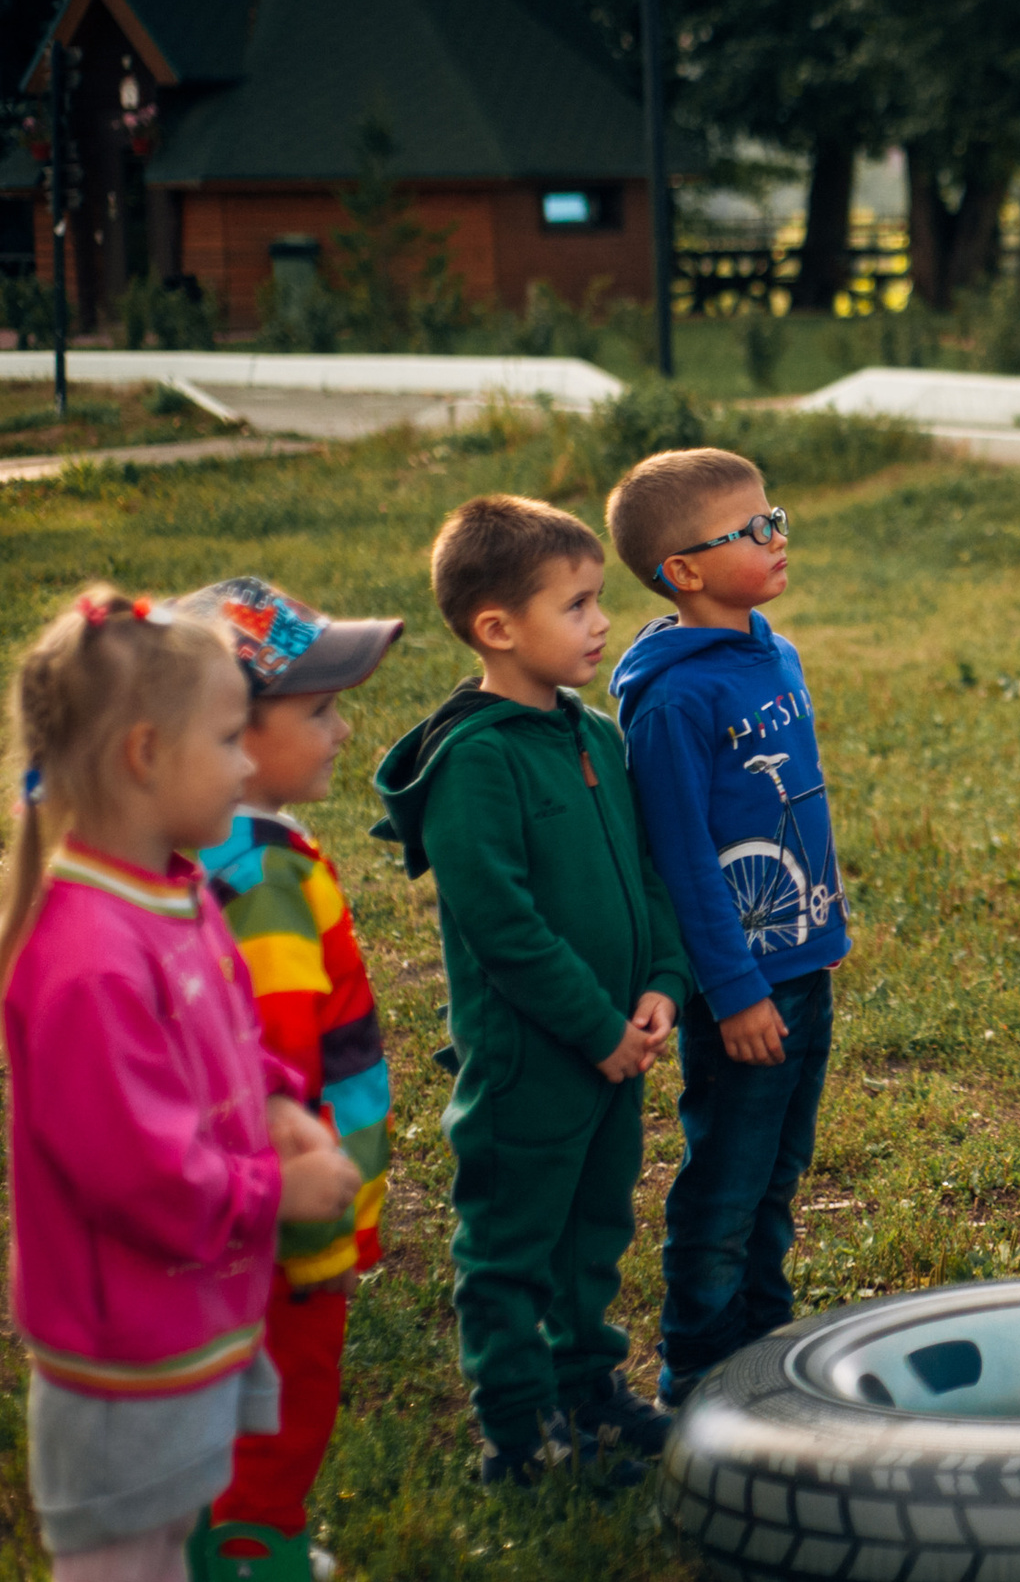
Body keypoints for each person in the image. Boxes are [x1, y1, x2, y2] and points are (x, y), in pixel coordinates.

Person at [4, 587, 361, 1582]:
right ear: (145, 754)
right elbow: (135, 1172)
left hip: (192, 1316)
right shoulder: (89, 957)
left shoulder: (176, 887)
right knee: (124, 1560)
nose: (250, 763)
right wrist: (274, 1193)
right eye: (228, 738)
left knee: (171, 1547)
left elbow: (233, 1037)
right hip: (123, 1355)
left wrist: (282, 1099)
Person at [372, 495, 692, 1485]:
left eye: (599, 600)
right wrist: (597, 1026)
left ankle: (585, 1383)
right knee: (513, 1240)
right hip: (533, 1061)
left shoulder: (593, 735)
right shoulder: (475, 760)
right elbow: (501, 925)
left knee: (595, 1226)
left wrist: (661, 984)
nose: (602, 623)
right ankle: (519, 1430)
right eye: (579, 604)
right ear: (497, 628)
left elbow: (648, 871)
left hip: (616, 1047)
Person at [604, 450, 846, 1408]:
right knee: (728, 1181)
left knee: (781, 1169)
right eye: (750, 530)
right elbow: (684, 861)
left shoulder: (770, 649)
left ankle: (764, 1345)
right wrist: (737, 989)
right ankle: (696, 1372)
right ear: (685, 572)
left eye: (773, 516)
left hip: (806, 958)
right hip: (744, 982)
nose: (776, 536)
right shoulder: (672, 698)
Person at [179, 578, 403, 1582]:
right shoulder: (263, 872)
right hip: (287, 1213)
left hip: (221, 1212)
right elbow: (274, 1071)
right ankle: (253, 1552)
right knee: (284, 1398)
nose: (342, 729)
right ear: (221, 729)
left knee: (219, 1389)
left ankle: (203, 1533)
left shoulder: (198, 849)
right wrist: (315, 1220)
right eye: (315, 711)